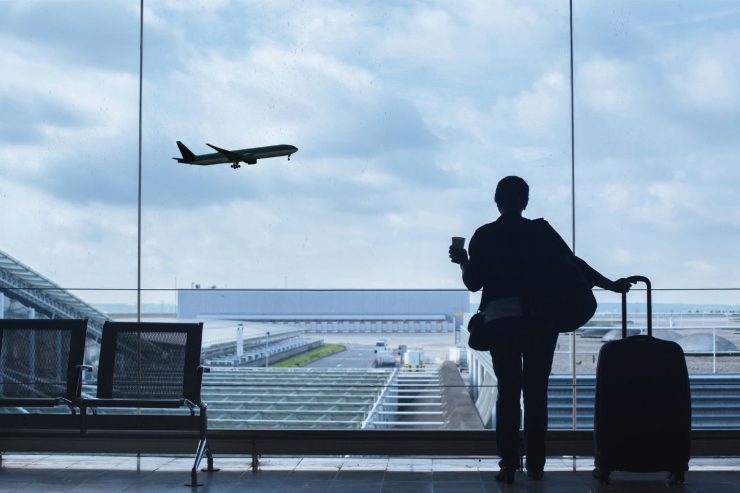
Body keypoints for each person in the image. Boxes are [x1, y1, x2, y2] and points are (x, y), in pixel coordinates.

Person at [449, 175, 632, 483]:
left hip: (501, 322)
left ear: (497, 201)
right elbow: (574, 264)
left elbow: (473, 282)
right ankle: (536, 464)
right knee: (536, 394)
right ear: (525, 201)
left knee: (508, 393)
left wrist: (463, 261)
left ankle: (508, 464)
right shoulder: (540, 232)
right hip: (540, 322)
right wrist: (610, 285)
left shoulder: (485, 235)